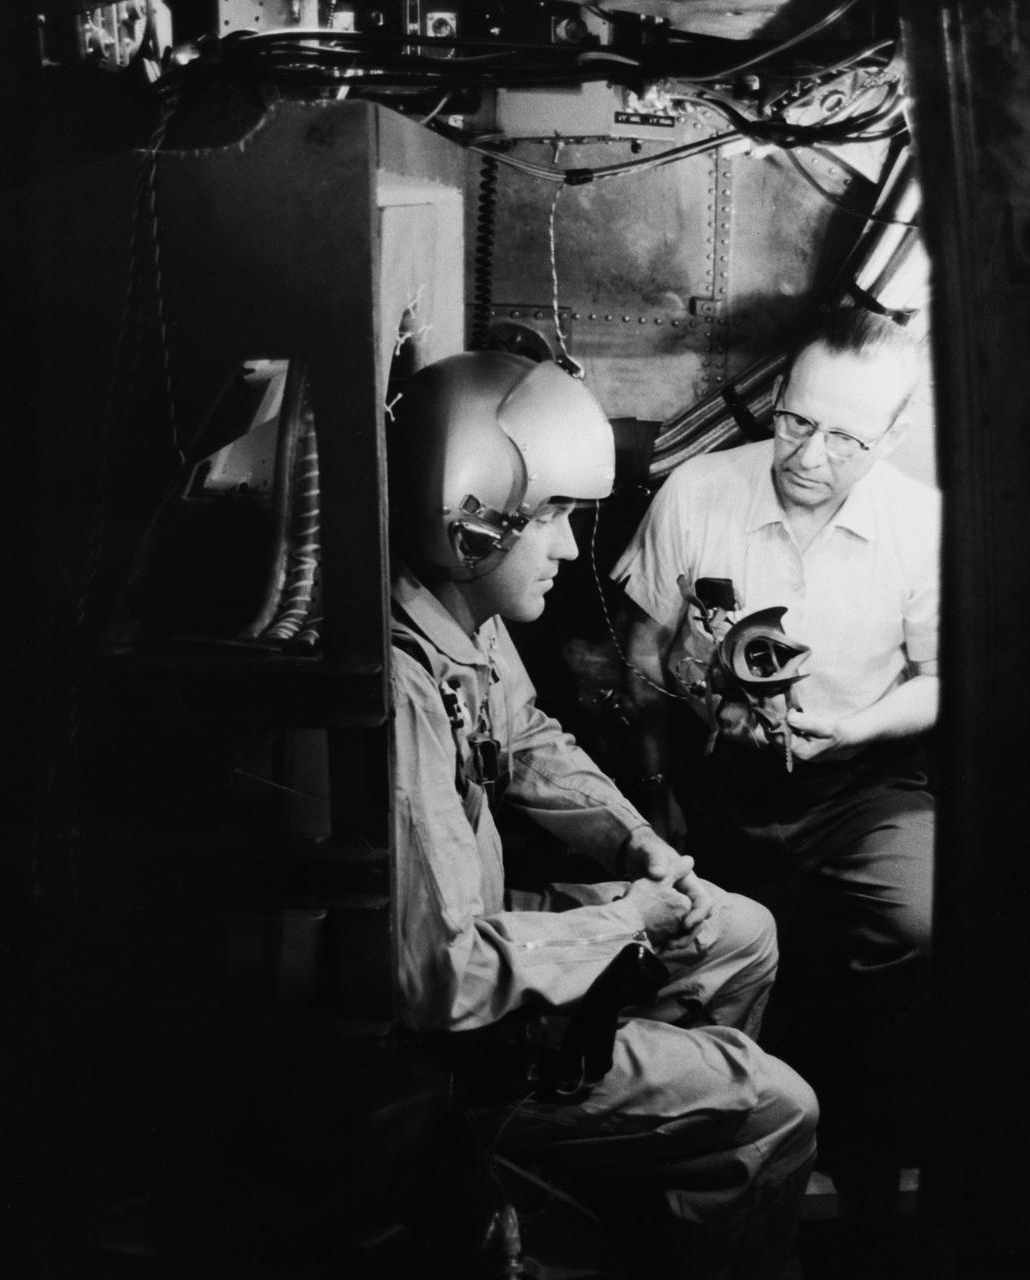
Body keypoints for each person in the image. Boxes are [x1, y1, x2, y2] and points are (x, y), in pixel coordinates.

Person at [387, 350, 817, 1279]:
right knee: (781, 1107)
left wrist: (640, 846)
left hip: (485, 964)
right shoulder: (405, 693)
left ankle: (649, 1173)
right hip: (455, 1058)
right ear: (473, 521)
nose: (569, 548)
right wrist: (624, 917)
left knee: (742, 930)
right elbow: (440, 979)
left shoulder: (456, 617)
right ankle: (635, 1153)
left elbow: (530, 738)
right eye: (552, 520)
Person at [612, 307, 939, 1216]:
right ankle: (717, 1158)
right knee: (707, 949)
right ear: (777, 402)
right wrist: (654, 794)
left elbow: (944, 675)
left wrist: (856, 728)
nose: (807, 456)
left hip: (864, 784)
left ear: (894, 433)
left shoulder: (925, 524)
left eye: (845, 438)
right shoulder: (696, 493)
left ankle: (867, 1153)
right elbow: (637, 655)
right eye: (795, 421)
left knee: (920, 925)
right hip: (717, 781)